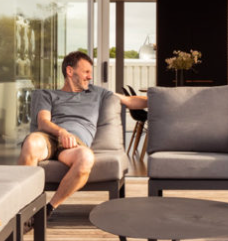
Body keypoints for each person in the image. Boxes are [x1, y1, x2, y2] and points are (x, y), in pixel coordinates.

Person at [19, 50, 148, 210]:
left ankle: (47, 209)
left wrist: (158, 98)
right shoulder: (48, 95)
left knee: (86, 157)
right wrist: (61, 132)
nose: (90, 76)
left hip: (75, 145)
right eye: (86, 72)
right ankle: (24, 210)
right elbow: (43, 122)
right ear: (70, 71)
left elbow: (130, 101)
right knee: (31, 142)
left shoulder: (98, 93)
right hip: (50, 138)